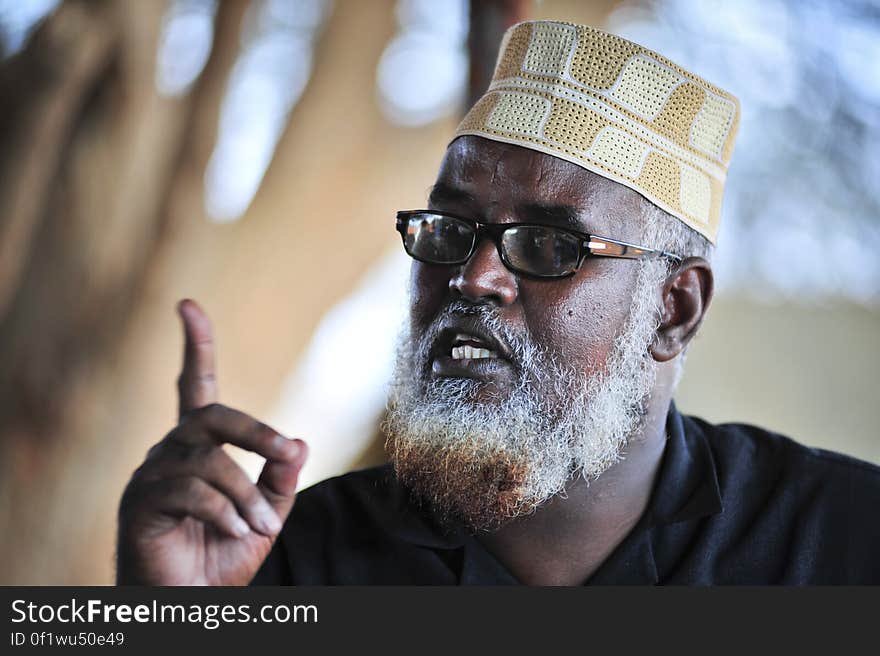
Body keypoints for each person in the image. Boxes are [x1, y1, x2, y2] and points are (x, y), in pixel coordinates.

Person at [116, 21, 880, 585]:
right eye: (450, 230)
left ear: (673, 310)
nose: (473, 276)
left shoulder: (840, 542)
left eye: (552, 245)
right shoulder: (297, 557)